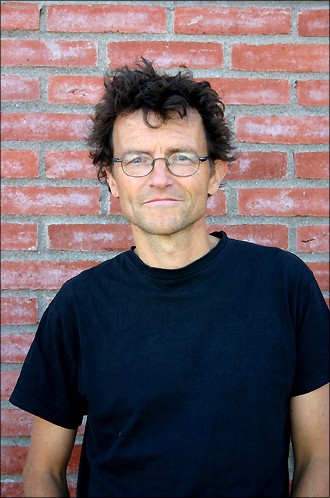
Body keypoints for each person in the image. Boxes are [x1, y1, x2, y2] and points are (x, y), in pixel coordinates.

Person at [10, 58, 329, 498]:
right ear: (112, 180)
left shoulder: (284, 285)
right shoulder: (80, 305)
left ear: (215, 172)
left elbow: (320, 457)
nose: (160, 178)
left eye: (181, 158)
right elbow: (42, 472)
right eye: (137, 160)